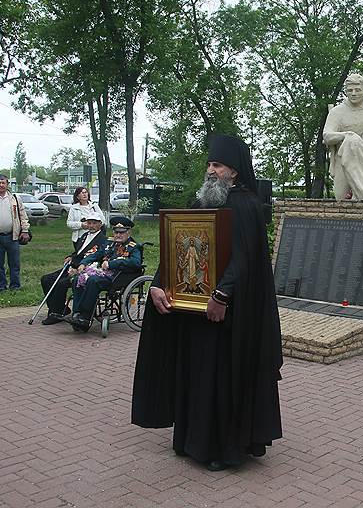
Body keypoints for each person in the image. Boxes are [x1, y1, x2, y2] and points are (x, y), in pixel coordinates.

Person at [132, 134, 282, 472]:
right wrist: (158, 285)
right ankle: (191, 440)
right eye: (209, 165)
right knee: (196, 374)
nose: (210, 170)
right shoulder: (202, 204)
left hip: (229, 315)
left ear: (234, 171)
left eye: (217, 165)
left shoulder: (245, 205)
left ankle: (223, 449)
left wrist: (220, 297)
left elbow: (243, 259)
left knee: (221, 377)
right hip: (193, 309)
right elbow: (177, 247)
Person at [65, 216, 141, 332]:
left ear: (128, 232)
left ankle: (85, 317)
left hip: (118, 277)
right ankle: (77, 314)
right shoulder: (109, 243)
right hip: (103, 274)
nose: (118, 235)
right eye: (116, 232)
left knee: (93, 281)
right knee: (78, 279)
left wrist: (112, 264)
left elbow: (136, 263)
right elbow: (96, 254)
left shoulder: (134, 247)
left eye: (122, 233)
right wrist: (83, 263)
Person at [39, 211, 107, 326]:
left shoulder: (103, 240)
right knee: (46, 279)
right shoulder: (84, 236)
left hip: (84, 270)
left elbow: (96, 258)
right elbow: (77, 253)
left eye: (94, 223)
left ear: (100, 224)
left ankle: (55, 313)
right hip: (72, 266)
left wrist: (77, 270)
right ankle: (61, 309)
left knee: (61, 283)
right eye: (89, 223)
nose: (91, 226)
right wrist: (70, 257)